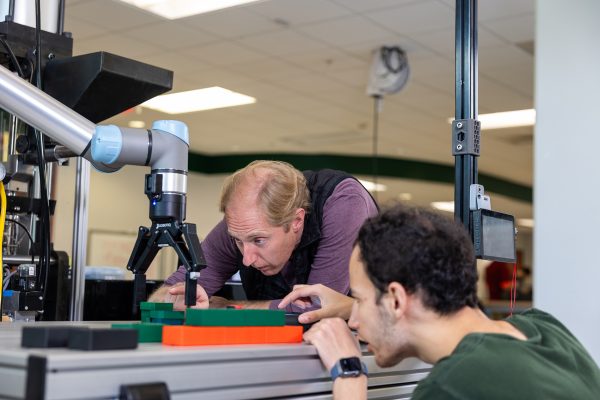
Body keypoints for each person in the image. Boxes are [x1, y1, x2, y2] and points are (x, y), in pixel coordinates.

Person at [279, 204, 600, 399]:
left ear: (396, 300)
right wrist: (357, 304)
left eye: (360, 300)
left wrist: (349, 374)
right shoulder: (545, 329)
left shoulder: (454, 386)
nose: (354, 321)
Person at [149, 160, 378, 311]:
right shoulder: (242, 225)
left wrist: (229, 308)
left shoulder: (343, 204)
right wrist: (175, 300)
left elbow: (318, 308)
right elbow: (164, 294)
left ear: (296, 221)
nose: (247, 259)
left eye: (259, 240)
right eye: (238, 241)